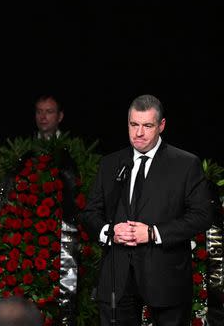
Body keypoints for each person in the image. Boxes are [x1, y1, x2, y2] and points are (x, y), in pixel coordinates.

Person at [81, 94, 215, 326]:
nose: (139, 133)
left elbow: (202, 216)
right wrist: (109, 231)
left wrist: (153, 232)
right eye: (134, 125)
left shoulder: (185, 163)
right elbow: (90, 213)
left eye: (147, 126)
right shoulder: (111, 163)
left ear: (161, 126)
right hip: (117, 277)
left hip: (165, 277)